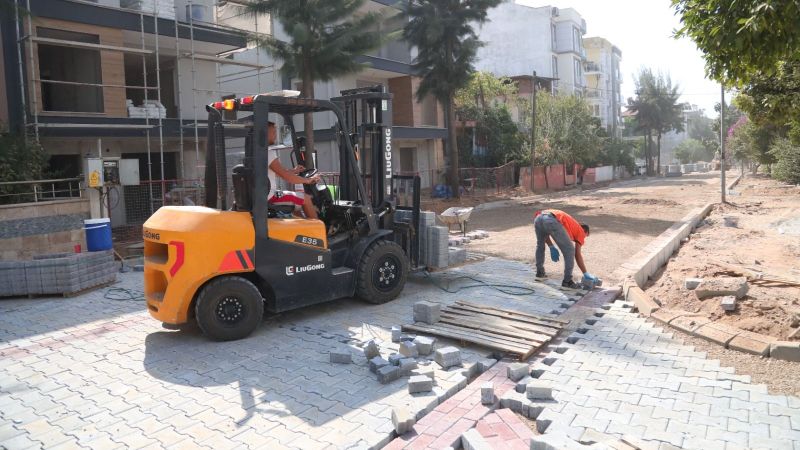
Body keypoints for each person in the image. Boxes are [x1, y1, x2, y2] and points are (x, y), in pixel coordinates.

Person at [533, 209, 599, 289]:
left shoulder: (569, 226)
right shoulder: (580, 231)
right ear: (585, 231)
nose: (583, 239)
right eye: (585, 236)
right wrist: (585, 273)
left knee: (540, 245)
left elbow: (545, 230)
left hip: (539, 217)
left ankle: (540, 273)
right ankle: (567, 281)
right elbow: (577, 254)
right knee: (570, 250)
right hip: (551, 219)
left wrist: (551, 246)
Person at [267, 121, 320, 219]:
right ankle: (318, 233)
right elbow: (286, 176)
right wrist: (307, 180)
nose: (275, 136)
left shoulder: (257, 152)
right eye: (273, 132)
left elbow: (278, 173)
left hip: (267, 195)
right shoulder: (268, 153)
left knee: (297, 204)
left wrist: (294, 171)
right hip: (271, 196)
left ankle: (302, 229)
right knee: (306, 199)